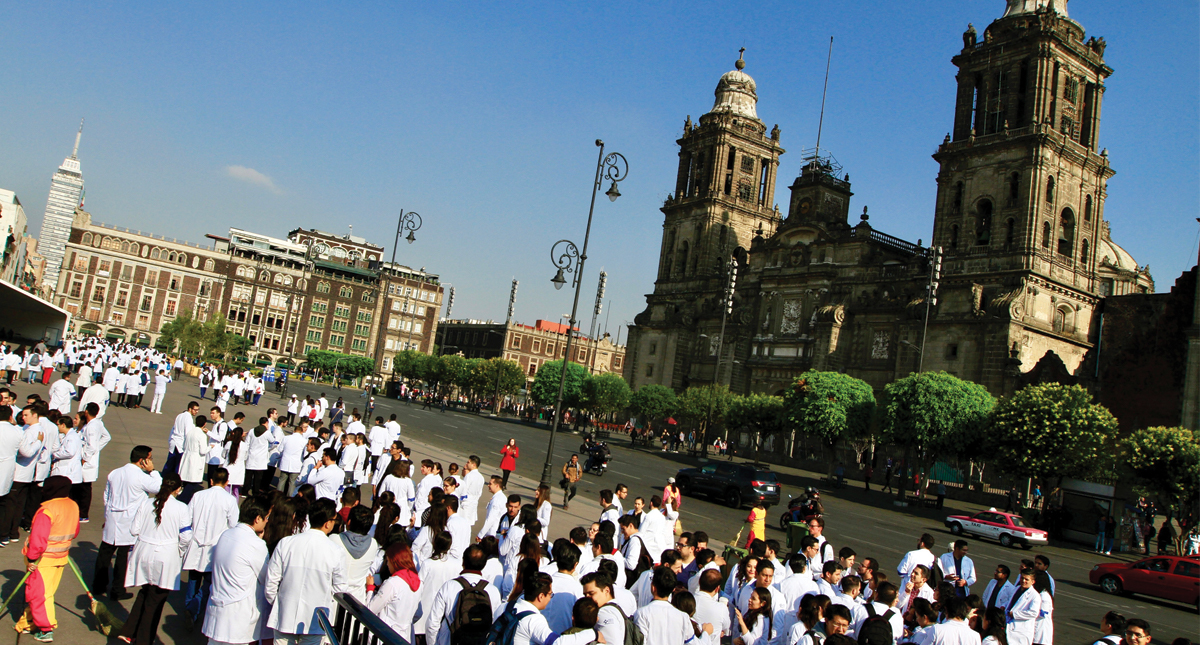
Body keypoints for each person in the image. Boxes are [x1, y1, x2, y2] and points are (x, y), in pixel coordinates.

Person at [265, 498, 349, 645]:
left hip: (285, 615)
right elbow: (340, 589)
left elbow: (271, 581)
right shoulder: (336, 551)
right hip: (315, 620)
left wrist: (279, 602)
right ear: (328, 523)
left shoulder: (286, 543)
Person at [119, 472, 190, 645]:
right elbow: (186, 537)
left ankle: (129, 631)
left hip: (143, 552)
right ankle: (143, 639)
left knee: (146, 592)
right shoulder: (181, 508)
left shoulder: (147, 503)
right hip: (165, 556)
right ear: (178, 489)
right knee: (155, 601)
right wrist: (179, 551)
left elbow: (134, 530)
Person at [14, 476, 79, 642]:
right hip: (62, 557)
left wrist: (31, 559)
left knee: (39, 595)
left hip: (42, 561)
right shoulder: (73, 505)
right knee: (46, 592)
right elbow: (75, 531)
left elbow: (38, 540)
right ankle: (27, 623)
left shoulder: (47, 509)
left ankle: (45, 628)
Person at [94, 446, 163, 600]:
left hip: (113, 518)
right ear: (143, 460)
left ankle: (98, 586)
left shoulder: (115, 473)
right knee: (123, 557)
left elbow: (107, 496)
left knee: (105, 553)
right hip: (129, 521)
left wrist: (107, 516)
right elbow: (159, 488)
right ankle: (117, 590)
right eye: (150, 459)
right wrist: (153, 471)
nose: (151, 461)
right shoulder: (141, 476)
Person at [202, 495, 271, 645]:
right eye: (266, 518)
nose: (267, 521)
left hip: (217, 610)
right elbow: (266, 577)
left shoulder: (226, 535)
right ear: (258, 518)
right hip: (238, 617)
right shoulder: (255, 544)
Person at [181, 467, 239, 625]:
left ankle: (188, 608)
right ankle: (194, 609)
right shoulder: (229, 500)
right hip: (214, 548)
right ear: (227, 482)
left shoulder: (198, 496)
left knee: (193, 579)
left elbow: (187, 518)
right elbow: (234, 525)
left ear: (211, 481)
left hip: (195, 544)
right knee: (208, 583)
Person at [426, 544, 503, 645]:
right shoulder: (492, 591)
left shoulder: (449, 586)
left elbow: (432, 624)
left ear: (463, 562)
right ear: (484, 564)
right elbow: (496, 626)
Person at [369, 543, 421, 643]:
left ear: (394, 562)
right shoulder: (417, 582)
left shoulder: (392, 583)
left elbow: (371, 610)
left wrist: (370, 588)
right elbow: (418, 613)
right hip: (405, 637)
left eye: (388, 561)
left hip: (388, 636)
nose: (387, 565)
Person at [330, 505, 382, 603]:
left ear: (348, 522)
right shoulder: (373, 545)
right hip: (357, 601)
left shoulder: (334, 539)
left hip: (333, 598)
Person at [634, 567, 695, 645]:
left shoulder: (641, 614)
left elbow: (640, 642)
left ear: (653, 587)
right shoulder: (683, 616)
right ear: (673, 589)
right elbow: (690, 642)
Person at [75, 401, 112, 522]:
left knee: (84, 489)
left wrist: (85, 458)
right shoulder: (98, 423)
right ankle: (81, 512)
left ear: (86, 412)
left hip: (87, 461)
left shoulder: (91, 427)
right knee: (83, 487)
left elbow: (91, 446)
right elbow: (107, 437)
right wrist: (97, 448)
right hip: (91, 459)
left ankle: (83, 514)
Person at [1004, 569, 1041, 645]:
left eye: (1026, 579)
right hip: (1008, 626)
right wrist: (1003, 606)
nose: (1023, 581)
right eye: (1022, 578)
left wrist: (1014, 614)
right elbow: (1010, 602)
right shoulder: (1016, 589)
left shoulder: (1035, 596)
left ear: (1033, 581)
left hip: (1021, 632)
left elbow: (1033, 613)